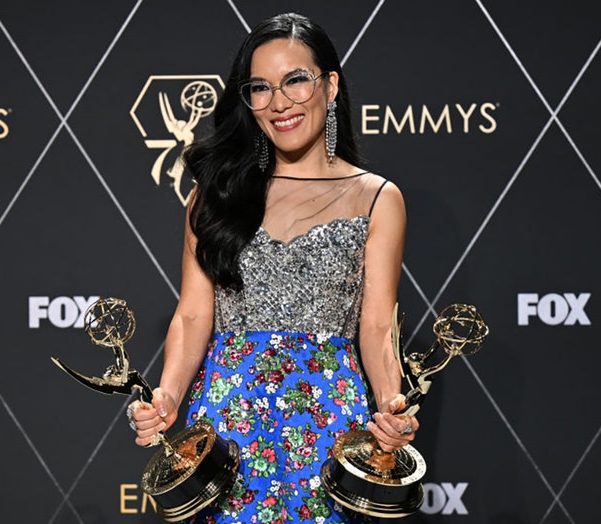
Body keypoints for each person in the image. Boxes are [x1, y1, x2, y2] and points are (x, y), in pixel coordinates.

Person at [128, 12, 418, 524]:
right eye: (259, 88)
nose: (279, 103)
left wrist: (393, 402)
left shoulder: (377, 199)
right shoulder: (214, 195)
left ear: (330, 87)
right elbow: (194, 315)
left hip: (328, 423)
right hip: (227, 427)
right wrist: (168, 396)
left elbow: (376, 325)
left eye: (295, 81)